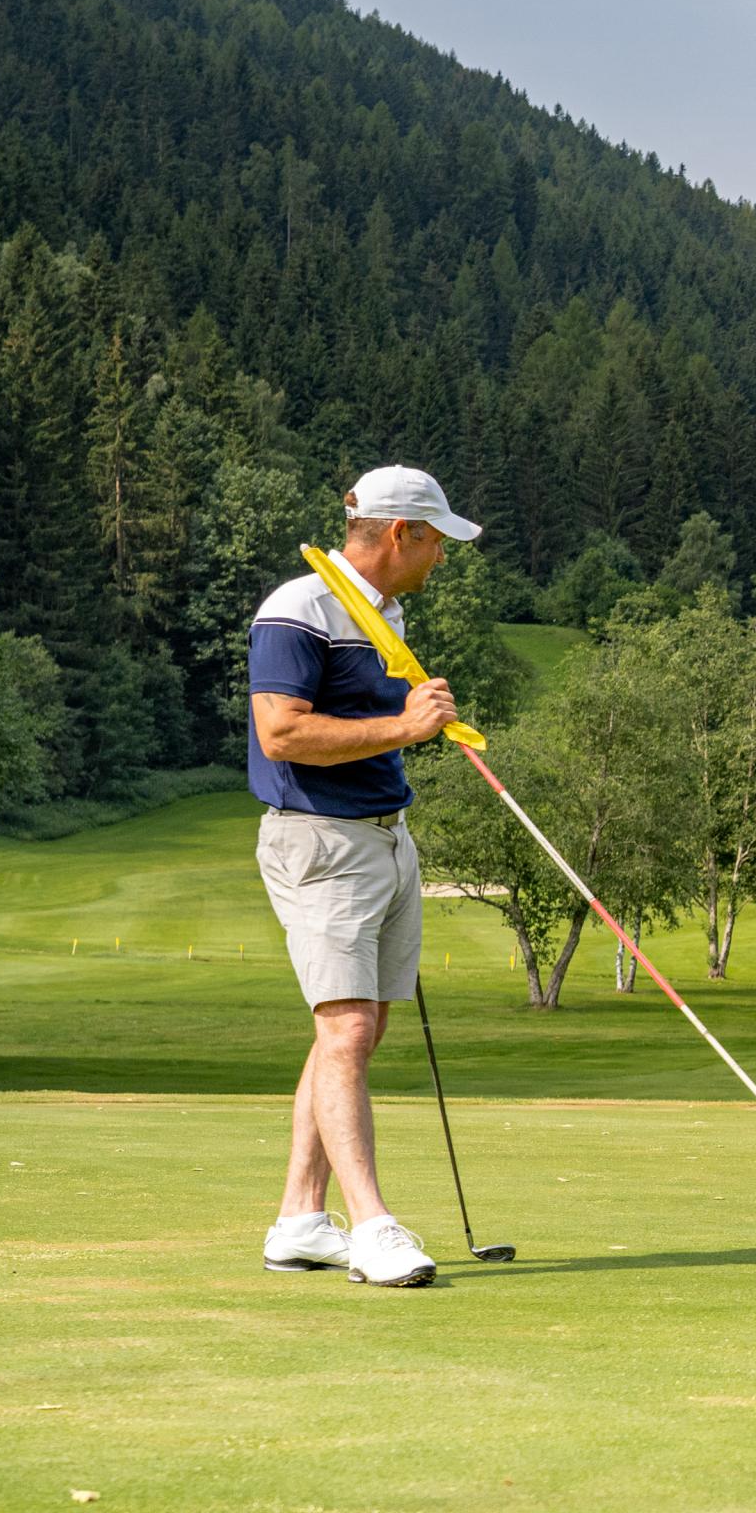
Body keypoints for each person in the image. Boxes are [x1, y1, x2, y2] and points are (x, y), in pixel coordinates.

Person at [247, 466, 480, 1286]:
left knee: (358, 1031)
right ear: (398, 534)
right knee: (344, 1030)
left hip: (386, 839)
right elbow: (281, 734)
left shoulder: (383, 613)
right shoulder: (297, 608)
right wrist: (407, 727)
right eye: (436, 542)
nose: (441, 559)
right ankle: (374, 1227)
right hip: (322, 844)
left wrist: (419, 726)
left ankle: (302, 1220)